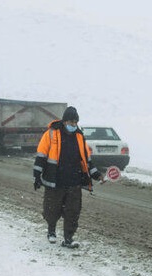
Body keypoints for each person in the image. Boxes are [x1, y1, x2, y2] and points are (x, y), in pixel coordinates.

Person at [33, 106, 103, 248]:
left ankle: (68, 238)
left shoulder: (79, 136)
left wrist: (97, 174)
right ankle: (51, 231)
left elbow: (86, 159)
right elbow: (41, 156)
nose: (73, 125)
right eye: (71, 122)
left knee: (73, 211)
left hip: (74, 181)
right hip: (55, 180)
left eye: (75, 122)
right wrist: (37, 176)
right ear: (64, 121)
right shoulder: (51, 134)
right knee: (52, 208)